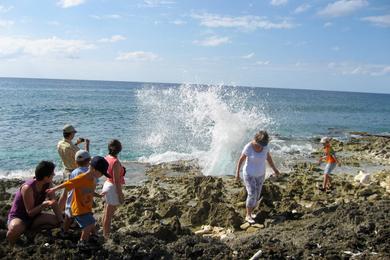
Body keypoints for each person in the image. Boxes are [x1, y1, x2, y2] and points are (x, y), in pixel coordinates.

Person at [46, 156, 109, 248]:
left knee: (91, 223)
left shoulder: (92, 179)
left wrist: (98, 195)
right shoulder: (82, 178)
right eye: (102, 173)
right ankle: (82, 243)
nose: (102, 175)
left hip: (86, 207)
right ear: (95, 170)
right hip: (79, 208)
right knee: (88, 225)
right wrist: (54, 189)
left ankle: (93, 237)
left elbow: (89, 191)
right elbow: (68, 183)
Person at [7, 161, 63, 245]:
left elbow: (54, 203)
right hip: (20, 217)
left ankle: (30, 232)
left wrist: (61, 222)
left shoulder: (48, 184)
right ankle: (10, 245)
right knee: (16, 228)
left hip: (35, 217)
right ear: (45, 177)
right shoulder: (28, 188)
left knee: (56, 221)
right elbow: (30, 213)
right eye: (52, 173)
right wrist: (43, 205)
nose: (54, 174)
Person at [235, 130, 280, 224]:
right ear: (255, 140)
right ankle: (248, 215)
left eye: (263, 145)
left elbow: (269, 158)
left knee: (257, 195)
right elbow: (240, 160)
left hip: (260, 174)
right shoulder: (249, 147)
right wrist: (237, 174)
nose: (261, 146)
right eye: (259, 144)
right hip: (249, 174)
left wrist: (275, 169)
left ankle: (251, 212)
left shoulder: (265, 147)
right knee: (252, 193)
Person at [57, 124, 90, 210]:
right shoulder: (72, 148)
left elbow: (70, 149)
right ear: (71, 134)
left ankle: (59, 212)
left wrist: (76, 143)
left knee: (64, 194)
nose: (74, 134)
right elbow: (86, 157)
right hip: (74, 173)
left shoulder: (60, 144)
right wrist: (87, 145)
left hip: (66, 170)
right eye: (74, 133)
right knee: (74, 196)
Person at [62, 150, 91, 236]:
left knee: (68, 216)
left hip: (72, 198)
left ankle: (64, 231)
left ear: (75, 162)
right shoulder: (88, 172)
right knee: (86, 217)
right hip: (83, 198)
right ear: (89, 161)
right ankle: (89, 233)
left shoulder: (74, 172)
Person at [102, 139, 125, 239]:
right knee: (109, 214)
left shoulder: (107, 157)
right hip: (112, 186)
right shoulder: (115, 162)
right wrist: (120, 195)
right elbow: (117, 181)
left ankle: (105, 232)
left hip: (107, 183)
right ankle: (106, 235)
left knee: (107, 210)